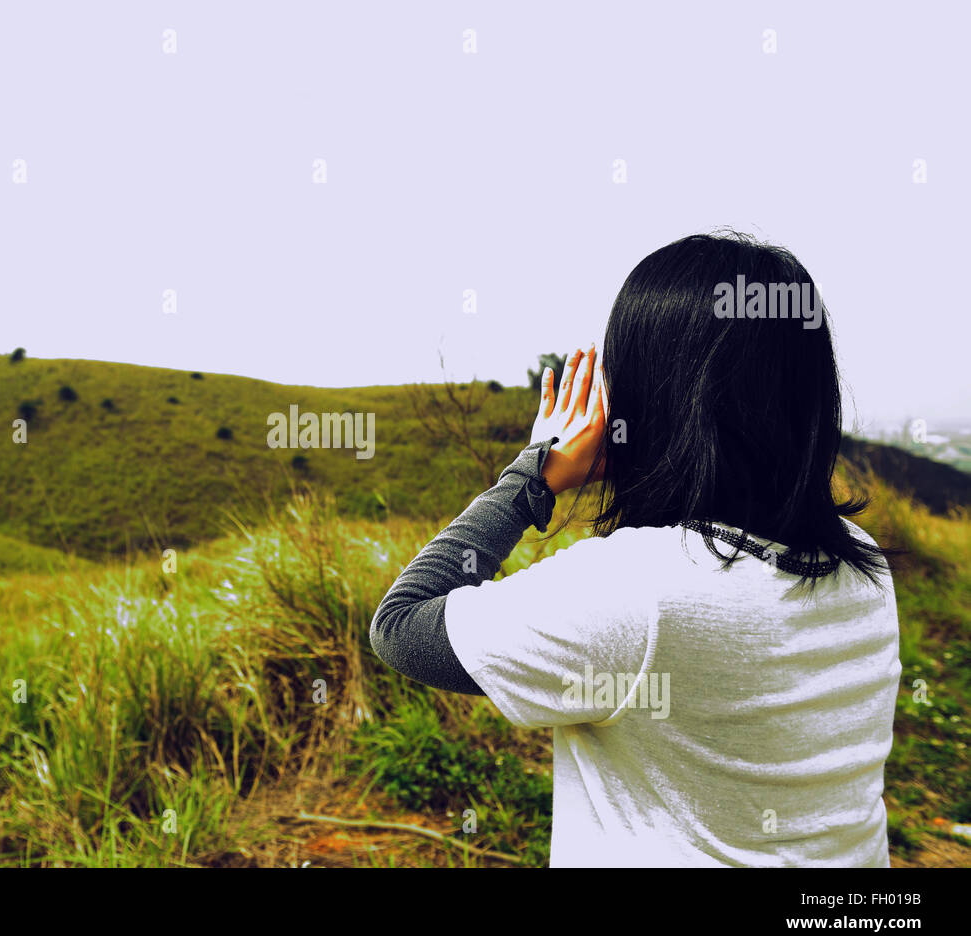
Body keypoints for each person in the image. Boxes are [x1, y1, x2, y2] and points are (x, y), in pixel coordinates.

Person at [369, 232, 901, 867]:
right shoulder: (864, 566)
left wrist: (535, 473)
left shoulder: (639, 590)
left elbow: (400, 627)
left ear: (648, 398)